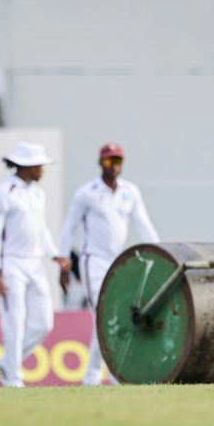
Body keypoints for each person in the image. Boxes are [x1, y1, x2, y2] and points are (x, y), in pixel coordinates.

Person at [58, 142, 160, 386]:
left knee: (119, 317)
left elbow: (143, 224)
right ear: (99, 163)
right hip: (93, 261)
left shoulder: (130, 191)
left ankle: (114, 373)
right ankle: (92, 376)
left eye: (118, 162)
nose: (113, 167)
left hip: (118, 262)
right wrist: (63, 261)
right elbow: (69, 227)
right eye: (108, 161)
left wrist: (159, 251)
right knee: (103, 315)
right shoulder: (87, 193)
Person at [0, 142, 71, 387]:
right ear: (27, 166)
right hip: (11, 264)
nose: (43, 170)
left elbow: (40, 228)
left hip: (35, 264)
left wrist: (54, 255)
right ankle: (13, 378)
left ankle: (6, 364)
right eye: (39, 166)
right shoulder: (3, 192)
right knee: (14, 323)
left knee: (43, 324)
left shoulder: (37, 193)